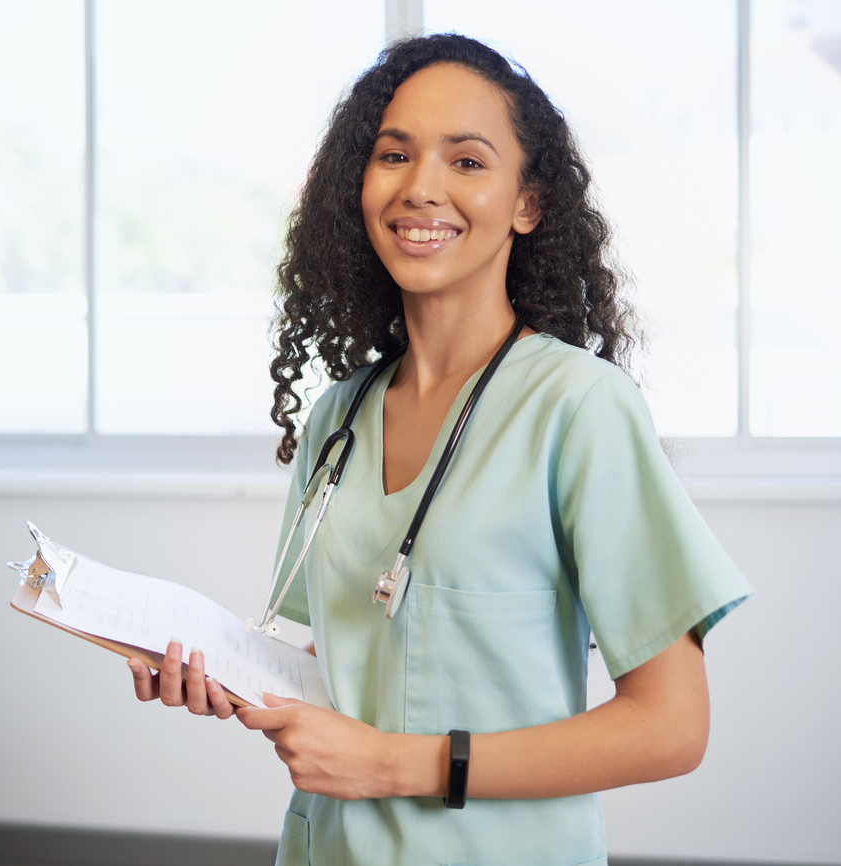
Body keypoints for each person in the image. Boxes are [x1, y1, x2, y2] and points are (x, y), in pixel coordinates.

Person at [127, 33, 751, 866]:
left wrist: (395, 765)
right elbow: (347, 660)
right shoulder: (337, 419)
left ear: (528, 204)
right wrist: (215, 673)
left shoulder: (578, 407)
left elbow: (672, 728)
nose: (422, 188)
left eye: (466, 161)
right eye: (394, 155)